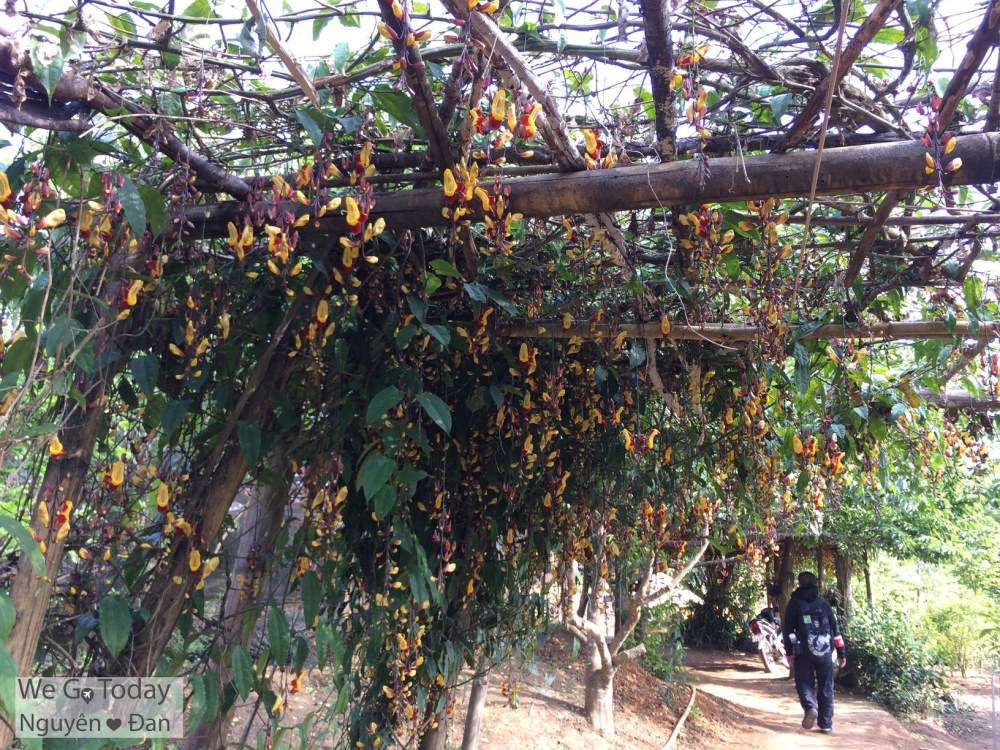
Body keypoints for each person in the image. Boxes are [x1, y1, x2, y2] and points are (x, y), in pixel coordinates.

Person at [782, 571, 847, 734]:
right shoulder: (823, 603)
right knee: (826, 686)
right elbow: (835, 629)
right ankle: (825, 724)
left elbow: (788, 629)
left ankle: (811, 707)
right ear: (815, 583)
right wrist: (841, 652)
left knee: (804, 682)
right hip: (825, 652)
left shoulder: (795, 603)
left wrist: (788, 652)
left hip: (803, 651)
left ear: (799, 584)